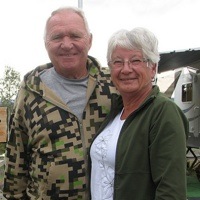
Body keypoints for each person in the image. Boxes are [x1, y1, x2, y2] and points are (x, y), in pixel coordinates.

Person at [3, 7, 118, 199]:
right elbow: (16, 157)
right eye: (57, 37)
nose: (66, 44)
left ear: (89, 40)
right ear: (46, 43)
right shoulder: (31, 91)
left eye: (75, 35)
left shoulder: (112, 85)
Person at [89, 27, 188, 200]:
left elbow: (171, 192)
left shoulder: (162, 112)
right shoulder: (115, 112)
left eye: (135, 61)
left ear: (153, 68)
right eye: (118, 62)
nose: (126, 69)